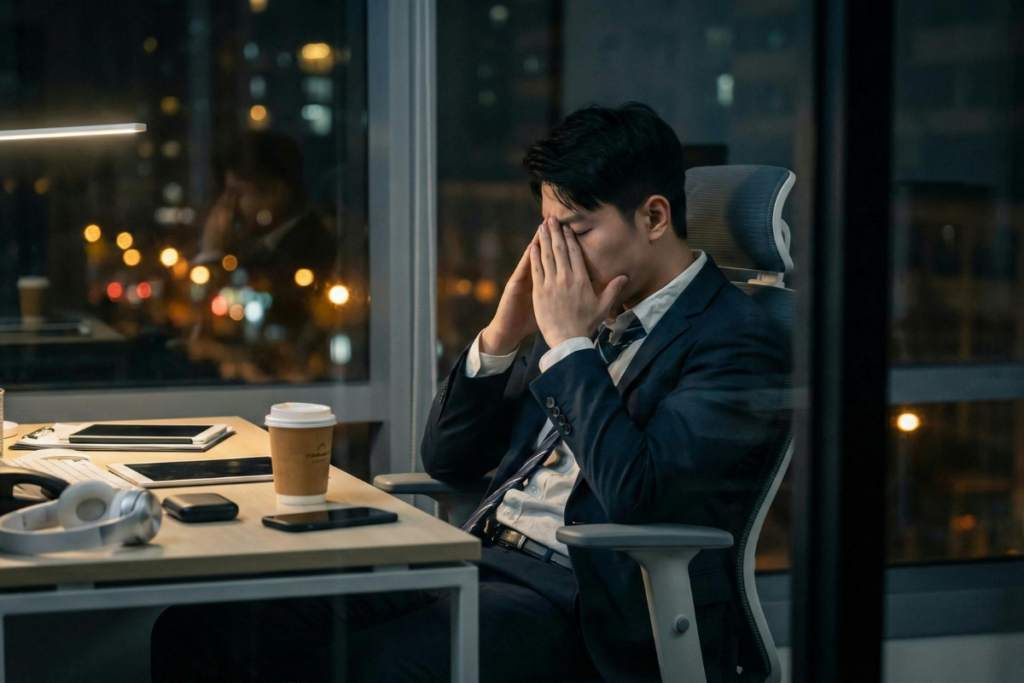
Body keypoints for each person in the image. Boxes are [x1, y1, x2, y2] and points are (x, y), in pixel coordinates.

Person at [151, 102, 787, 682]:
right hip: (478, 560)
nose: (555, 254)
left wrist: (566, 345)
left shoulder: (737, 337)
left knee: (364, 670)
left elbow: (638, 493)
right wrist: (505, 331)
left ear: (653, 216)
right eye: (548, 229)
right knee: (204, 632)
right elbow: (449, 460)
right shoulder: (594, 305)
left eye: (577, 228)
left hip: (581, 603)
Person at [188, 131, 337, 382]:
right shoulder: (257, 250)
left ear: (275, 194)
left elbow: (267, 346)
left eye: (237, 193)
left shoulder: (303, 255)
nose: (228, 207)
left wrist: (212, 255)